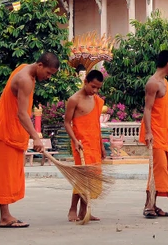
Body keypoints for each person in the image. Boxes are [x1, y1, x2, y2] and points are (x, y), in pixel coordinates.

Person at [0, 53, 60, 228]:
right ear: (40, 65)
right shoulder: (25, 79)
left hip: (7, 129)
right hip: (6, 131)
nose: (48, 77)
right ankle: (5, 217)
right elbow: (21, 113)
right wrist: (36, 137)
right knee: (5, 174)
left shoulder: (24, 67)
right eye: (49, 73)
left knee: (1, 172)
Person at [139, 50, 168, 219]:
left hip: (164, 133)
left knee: (162, 168)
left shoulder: (164, 82)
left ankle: (153, 205)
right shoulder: (153, 83)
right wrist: (149, 132)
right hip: (156, 133)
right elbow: (147, 109)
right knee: (157, 169)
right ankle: (149, 206)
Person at [64, 69, 106, 222]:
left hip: (94, 143)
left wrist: (101, 146)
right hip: (81, 144)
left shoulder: (96, 100)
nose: (95, 91)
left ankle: (85, 211)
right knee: (82, 178)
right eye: (93, 86)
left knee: (93, 178)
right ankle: (72, 210)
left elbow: (96, 124)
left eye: (98, 88)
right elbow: (67, 122)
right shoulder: (74, 99)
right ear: (86, 82)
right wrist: (75, 140)